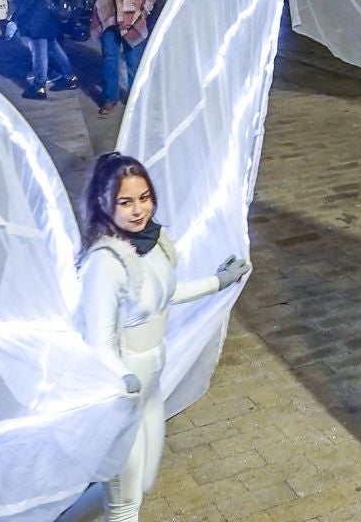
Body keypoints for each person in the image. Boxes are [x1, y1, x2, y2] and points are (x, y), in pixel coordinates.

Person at [76, 153, 251, 522]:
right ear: (104, 204)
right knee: (125, 503)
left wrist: (219, 282)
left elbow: (165, 294)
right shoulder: (105, 263)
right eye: (125, 201)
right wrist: (121, 385)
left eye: (144, 197)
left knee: (137, 482)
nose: (138, 210)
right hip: (124, 391)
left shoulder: (153, 241)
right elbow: (100, 341)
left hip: (152, 382)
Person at [92, 0, 159, 112]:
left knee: (134, 61)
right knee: (109, 58)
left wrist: (144, 11)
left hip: (133, 16)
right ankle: (109, 98)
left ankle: (136, 98)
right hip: (110, 14)